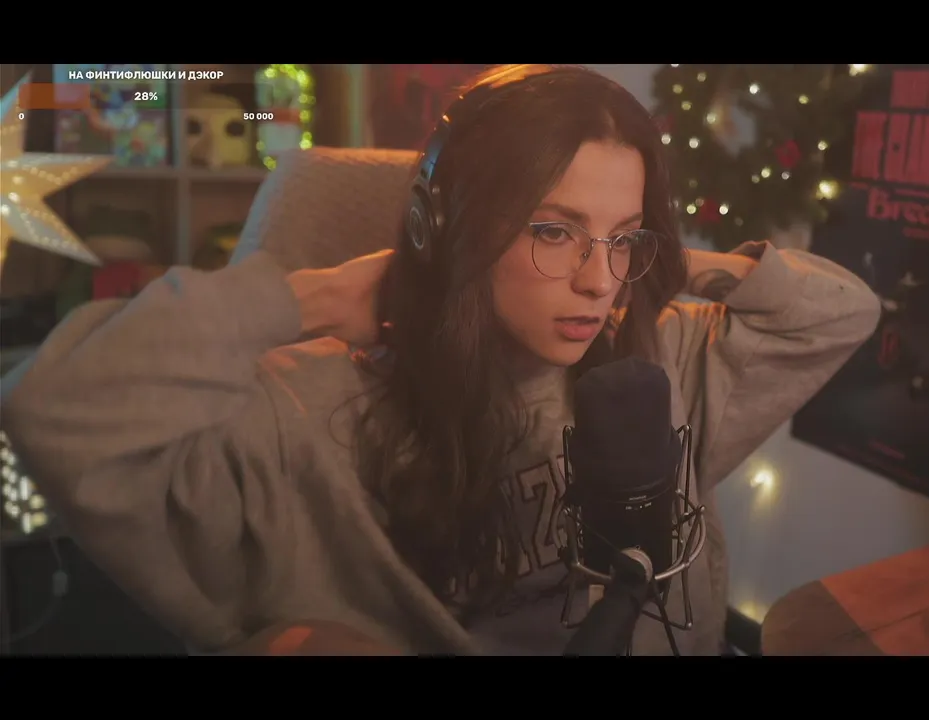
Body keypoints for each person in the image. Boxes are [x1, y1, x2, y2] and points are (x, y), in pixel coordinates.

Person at [1, 64, 880, 655]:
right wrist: (308, 297)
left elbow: (843, 313)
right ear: (444, 230)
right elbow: (52, 406)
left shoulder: (658, 363)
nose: (599, 280)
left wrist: (680, 265)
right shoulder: (304, 414)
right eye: (554, 230)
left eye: (623, 237)